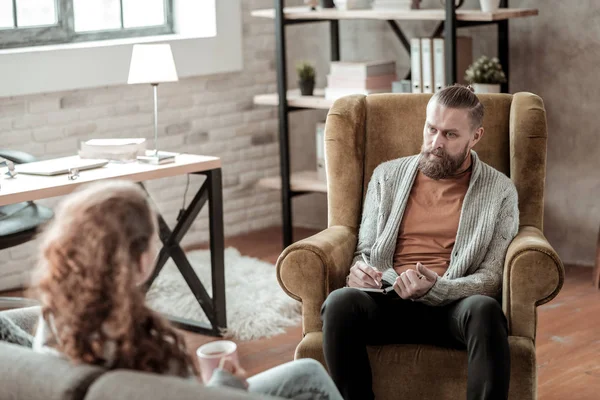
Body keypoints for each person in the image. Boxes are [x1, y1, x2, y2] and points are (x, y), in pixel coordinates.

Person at [10, 180, 342, 400]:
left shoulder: (54, 319)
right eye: (153, 240)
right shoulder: (142, 341)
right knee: (310, 373)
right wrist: (226, 385)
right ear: (140, 262)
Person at [320, 85, 519, 400]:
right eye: (431, 129)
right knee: (340, 304)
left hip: (451, 307)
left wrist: (437, 288)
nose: (436, 143)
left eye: (450, 135)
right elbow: (365, 251)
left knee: (485, 310)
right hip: (387, 300)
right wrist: (360, 272)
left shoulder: (500, 191)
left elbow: (492, 277)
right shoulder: (387, 176)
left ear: (475, 136)